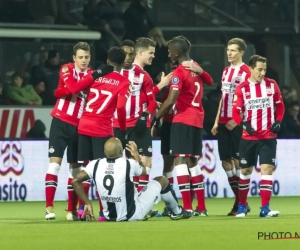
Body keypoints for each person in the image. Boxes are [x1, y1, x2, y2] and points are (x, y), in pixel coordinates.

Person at [44, 42, 111, 221]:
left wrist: (60, 92)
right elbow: (74, 89)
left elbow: (67, 91)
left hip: (79, 126)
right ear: (74, 58)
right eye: (80, 57)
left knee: (75, 170)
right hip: (60, 121)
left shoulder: (91, 75)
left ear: (90, 58)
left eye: (86, 57)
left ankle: (71, 210)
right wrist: (66, 90)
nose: (83, 60)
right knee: (54, 165)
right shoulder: (67, 69)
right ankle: (49, 207)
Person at [156, 36, 213, 216]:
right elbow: (210, 82)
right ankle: (201, 208)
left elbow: (171, 99)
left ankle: (187, 207)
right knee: (193, 162)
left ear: (177, 52)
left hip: (183, 119)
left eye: (170, 50)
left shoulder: (180, 72)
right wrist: (202, 71)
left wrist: (155, 117)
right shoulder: (195, 67)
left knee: (179, 161)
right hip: (198, 119)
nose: (168, 53)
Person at [72, 138, 192, 221]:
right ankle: (177, 212)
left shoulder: (95, 164)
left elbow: (75, 181)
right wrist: (136, 155)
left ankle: (147, 211)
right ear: (121, 152)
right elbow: (144, 171)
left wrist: (87, 203)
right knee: (162, 180)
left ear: (104, 152)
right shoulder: (128, 163)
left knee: (131, 189)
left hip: (109, 216)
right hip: (132, 214)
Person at [113, 37, 171, 194]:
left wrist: (145, 115)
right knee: (124, 165)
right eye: (150, 53)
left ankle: (141, 201)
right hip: (117, 125)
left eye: (130, 54)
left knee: (145, 163)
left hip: (138, 124)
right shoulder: (112, 73)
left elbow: (151, 100)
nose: (127, 57)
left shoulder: (143, 75)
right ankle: (128, 200)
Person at [232, 55, 285, 217]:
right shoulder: (242, 88)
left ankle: (265, 208)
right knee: (246, 171)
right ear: (250, 69)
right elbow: (235, 111)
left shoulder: (271, 85)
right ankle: (242, 206)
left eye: (264, 69)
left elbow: (280, 105)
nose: (262, 73)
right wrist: (243, 123)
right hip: (248, 138)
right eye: (259, 69)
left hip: (268, 137)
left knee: (267, 169)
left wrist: (278, 121)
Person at [210, 38, 251, 216]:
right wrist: (216, 120)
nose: (229, 53)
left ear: (242, 52)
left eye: (233, 50)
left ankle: (239, 204)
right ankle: (242, 201)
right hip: (223, 122)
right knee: (226, 162)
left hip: (236, 123)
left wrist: (238, 119)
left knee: (237, 162)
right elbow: (224, 97)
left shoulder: (246, 72)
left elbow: (250, 99)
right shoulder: (226, 71)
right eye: (228, 49)